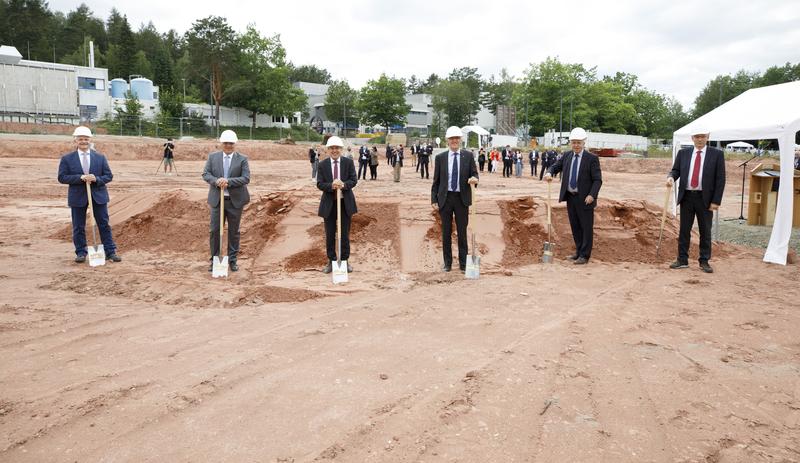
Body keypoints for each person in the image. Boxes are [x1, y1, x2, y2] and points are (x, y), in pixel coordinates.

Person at [58, 126, 122, 263]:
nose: (83, 141)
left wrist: (96, 179)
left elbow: (109, 176)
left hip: (98, 196)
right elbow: (62, 177)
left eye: (86, 139)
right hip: (78, 196)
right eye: (80, 139)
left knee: (104, 224)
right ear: (75, 141)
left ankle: (110, 252)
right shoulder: (67, 159)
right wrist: (80, 177)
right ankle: (81, 252)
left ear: (90, 140)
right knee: (78, 226)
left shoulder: (100, 157)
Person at [666, 128, 725, 273]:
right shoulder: (683, 153)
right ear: (692, 138)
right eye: (697, 137)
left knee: (705, 231)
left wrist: (716, 201)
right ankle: (682, 259)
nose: (699, 139)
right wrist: (671, 177)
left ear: (707, 137)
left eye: (702, 136)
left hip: (705, 199)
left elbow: (720, 179)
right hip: (686, 197)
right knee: (684, 230)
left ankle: (704, 261)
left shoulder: (716, 154)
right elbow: (676, 170)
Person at [545, 127, 602, 265]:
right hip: (571, 197)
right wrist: (549, 173)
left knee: (586, 227)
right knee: (575, 226)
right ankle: (578, 251)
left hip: (585, 199)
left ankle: (585, 255)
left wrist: (591, 195)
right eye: (574, 142)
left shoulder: (592, 159)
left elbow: (597, 180)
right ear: (570, 143)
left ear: (584, 143)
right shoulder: (567, 155)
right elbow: (555, 166)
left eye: (578, 142)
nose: (576, 145)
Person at [431, 126, 479, 272]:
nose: (454, 141)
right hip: (445, 199)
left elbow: (475, 175)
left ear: (460, 140)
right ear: (447, 140)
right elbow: (436, 181)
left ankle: (464, 264)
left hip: (461, 199)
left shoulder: (468, 156)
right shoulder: (440, 158)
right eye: (452, 138)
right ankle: (447, 263)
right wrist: (434, 200)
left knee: (462, 233)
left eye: (457, 138)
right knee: (446, 233)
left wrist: (474, 179)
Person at [202, 130, 251, 273]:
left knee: (234, 232)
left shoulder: (242, 159)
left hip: (235, 201)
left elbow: (246, 178)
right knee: (215, 231)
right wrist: (217, 181)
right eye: (226, 143)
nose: (228, 145)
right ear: (221, 144)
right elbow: (206, 174)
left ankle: (232, 260)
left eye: (231, 143)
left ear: (234, 144)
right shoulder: (213, 157)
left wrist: (228, 181)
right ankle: (214, 259)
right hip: (218, 200)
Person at [317, 136, 357, 273]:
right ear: (328, 150)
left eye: (337, 148)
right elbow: (320, 183)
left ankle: (345, 261)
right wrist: (331, 186)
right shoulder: (322, 165)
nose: (334, 150)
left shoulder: (348, 163)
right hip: (329, 204)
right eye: (332, 148)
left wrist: (344, 185)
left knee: (344, 234)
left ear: (341, 149)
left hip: (345, 203)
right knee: (330, 234)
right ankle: (331, 261)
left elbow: (354, 180)